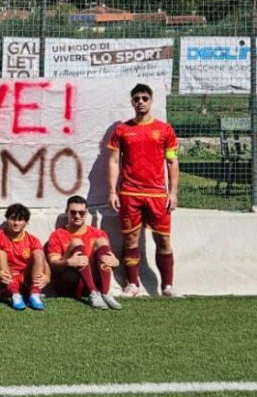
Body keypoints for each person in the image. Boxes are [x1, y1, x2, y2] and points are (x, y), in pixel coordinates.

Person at [108, 83, 180, 297]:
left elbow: (172, 162)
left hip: (157, 194)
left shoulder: (165, 130)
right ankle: (132, 283)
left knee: (164, 240)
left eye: (144, 98)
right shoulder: (122, 130)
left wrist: (173, 192)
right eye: (136, 98)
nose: (140, 102)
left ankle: (167, 286)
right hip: (130, 193)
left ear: (151, 101)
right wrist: (113, 191)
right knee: (130, 239)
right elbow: (113, 161)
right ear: (131, 102)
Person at [47, 196, 121, 310]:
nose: (77, 216)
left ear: (86, 213)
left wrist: (115, 262)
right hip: (69, 282)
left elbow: (109, 259)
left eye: (81, 213)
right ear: (66, 212)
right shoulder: (57, 235)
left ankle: (105, 293)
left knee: (101, 241)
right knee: (76, 242)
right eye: (73, 212)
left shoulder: (98, 233)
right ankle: (93, 293)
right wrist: (68, 262)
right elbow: (53, 263)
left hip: (94, 280)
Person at [0, 203, 49, 310]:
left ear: (26, 222)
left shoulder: (32, 240)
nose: (16, 223)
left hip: (25, 279)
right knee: (0, 254)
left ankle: (34, 294)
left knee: (38, 253)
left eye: (20, 220)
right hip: (6, 280)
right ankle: (14, 295)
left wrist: (47, 277)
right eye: (13, 219)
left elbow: (43, 261)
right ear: (7, 220)